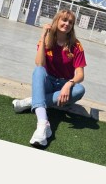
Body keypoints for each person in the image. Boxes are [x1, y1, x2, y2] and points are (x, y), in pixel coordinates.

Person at [12, 9, 87, 147]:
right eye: (64, 20)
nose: (67, 24)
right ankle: (43, 124)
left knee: (80, 90)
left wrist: (68, 84)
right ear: (56, 21)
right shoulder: (46, 39)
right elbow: (39, 63)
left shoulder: (76, 45)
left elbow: (80, 74)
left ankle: (31, 101)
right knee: (38, 70)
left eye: (70, 22)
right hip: (48, 81)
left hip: (63, 85)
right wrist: (43, 36)